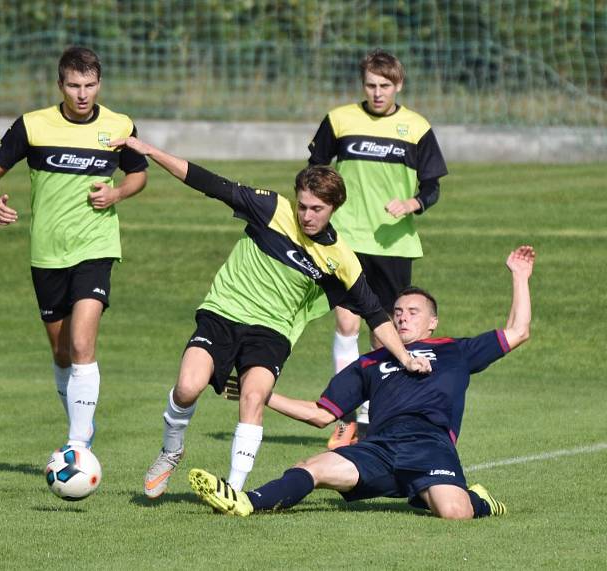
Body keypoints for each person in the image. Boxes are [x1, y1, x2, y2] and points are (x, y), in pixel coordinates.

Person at [110, 136, 432, 499]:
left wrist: (405, 357)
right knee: (187, 387)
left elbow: (375, 313)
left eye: (316, 209)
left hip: (273, 331)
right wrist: (153, 152)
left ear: (333, 208)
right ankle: (171, 452)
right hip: (224, 312)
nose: (306, 215)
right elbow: (209, 183)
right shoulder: (272, 209)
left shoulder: (340, 258)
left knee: (253, 397)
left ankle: (233, 490)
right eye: (303, 206)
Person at [189, 246, 535, 520]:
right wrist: (264, 395)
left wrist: (520, 276)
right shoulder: (370, 362)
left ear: (433, 322)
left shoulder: (453, 350)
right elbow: (321, 414)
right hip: (378, 449)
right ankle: (247, 502)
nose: (402, 317)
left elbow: (518, 331)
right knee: (311, 467)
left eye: (413, 312)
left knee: (455, 513)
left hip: (429, 445)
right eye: (397, 312)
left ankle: (480, 500)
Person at [0, 47, 148, 449]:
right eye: (74, 85)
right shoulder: (33, 126)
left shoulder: (119, 125)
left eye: (90, 85)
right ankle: (81, 424)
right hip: (47, 252)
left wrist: (117, 194)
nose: (82, 94)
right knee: (61, 354)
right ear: (61, 86)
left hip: (96, 246)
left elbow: (139, 175)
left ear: (99, 84)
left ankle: (77, 445)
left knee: (82, 344)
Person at [308, 49, 448, 445]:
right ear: (362, 84)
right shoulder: (339, 120)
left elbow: (433, 187)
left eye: (385, 85)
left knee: (381, 332)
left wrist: (411, 204)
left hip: (394, 243)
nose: (377, 92)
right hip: (346, 238)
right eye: (371, 85)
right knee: (347, 323)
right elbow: (314, 171)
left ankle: (371, 415)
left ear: (398, 85)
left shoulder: (416, 128)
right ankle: (346, 416)